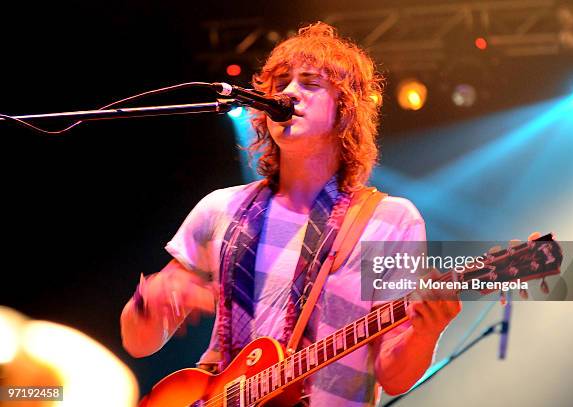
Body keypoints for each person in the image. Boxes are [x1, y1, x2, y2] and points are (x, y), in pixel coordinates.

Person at [121, 22, 461, 406]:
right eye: (280, 82)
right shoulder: (221, 208)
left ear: (346, 109)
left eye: (310, 83)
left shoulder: (390, 220)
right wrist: (149, 304)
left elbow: (393, 376)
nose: (287, 93)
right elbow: (139, 342)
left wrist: (426, 331)